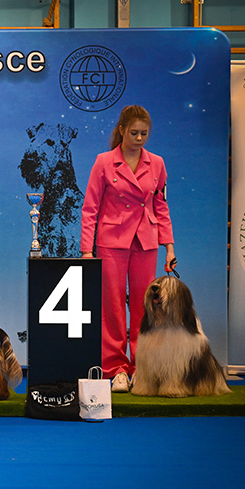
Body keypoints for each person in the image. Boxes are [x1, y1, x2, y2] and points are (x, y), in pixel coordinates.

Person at [80, 105, 175, 393]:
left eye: (144, 133)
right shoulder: (104, 161)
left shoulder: (157, 163)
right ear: (121, 130)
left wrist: (169, 247)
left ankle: (141, 367)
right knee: (112, 307)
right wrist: (86, 250)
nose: (139, 138)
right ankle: (116, 369)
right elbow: (90, 208)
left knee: (145, 307)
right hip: (111, 242)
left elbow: (161, 206)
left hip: (146, 242)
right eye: (134, 133)